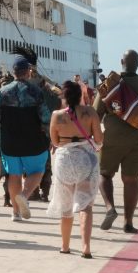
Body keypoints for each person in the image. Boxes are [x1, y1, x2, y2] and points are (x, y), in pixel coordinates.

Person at [95, 49, 138, 234]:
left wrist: (93, 138)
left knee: (104, 174)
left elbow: (96, 115)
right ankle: (128, 222)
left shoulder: (109, 84)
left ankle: (110, 208)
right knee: (131, 181)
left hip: (113, 139)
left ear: (121, 62)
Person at [0, 57, 52, 222]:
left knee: (14, 175)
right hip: (33, 141)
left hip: (10, 142)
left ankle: (15, 213)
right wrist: (50, 137)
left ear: (13, 72)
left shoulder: (3, 92)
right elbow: (45, 118)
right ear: (28, 72)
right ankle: (24, 196)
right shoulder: (36, 92)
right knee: (37, 171)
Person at [48, 80, 103, 258]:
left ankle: (65, 246)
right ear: (80, 95)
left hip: (64, 160)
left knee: (66, 206)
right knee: (85, 205)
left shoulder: (56, 116)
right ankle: (86, 247)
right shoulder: (90, 112)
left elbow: (55, 142)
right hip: (86, 159)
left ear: (63, 96)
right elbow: (99, 139)